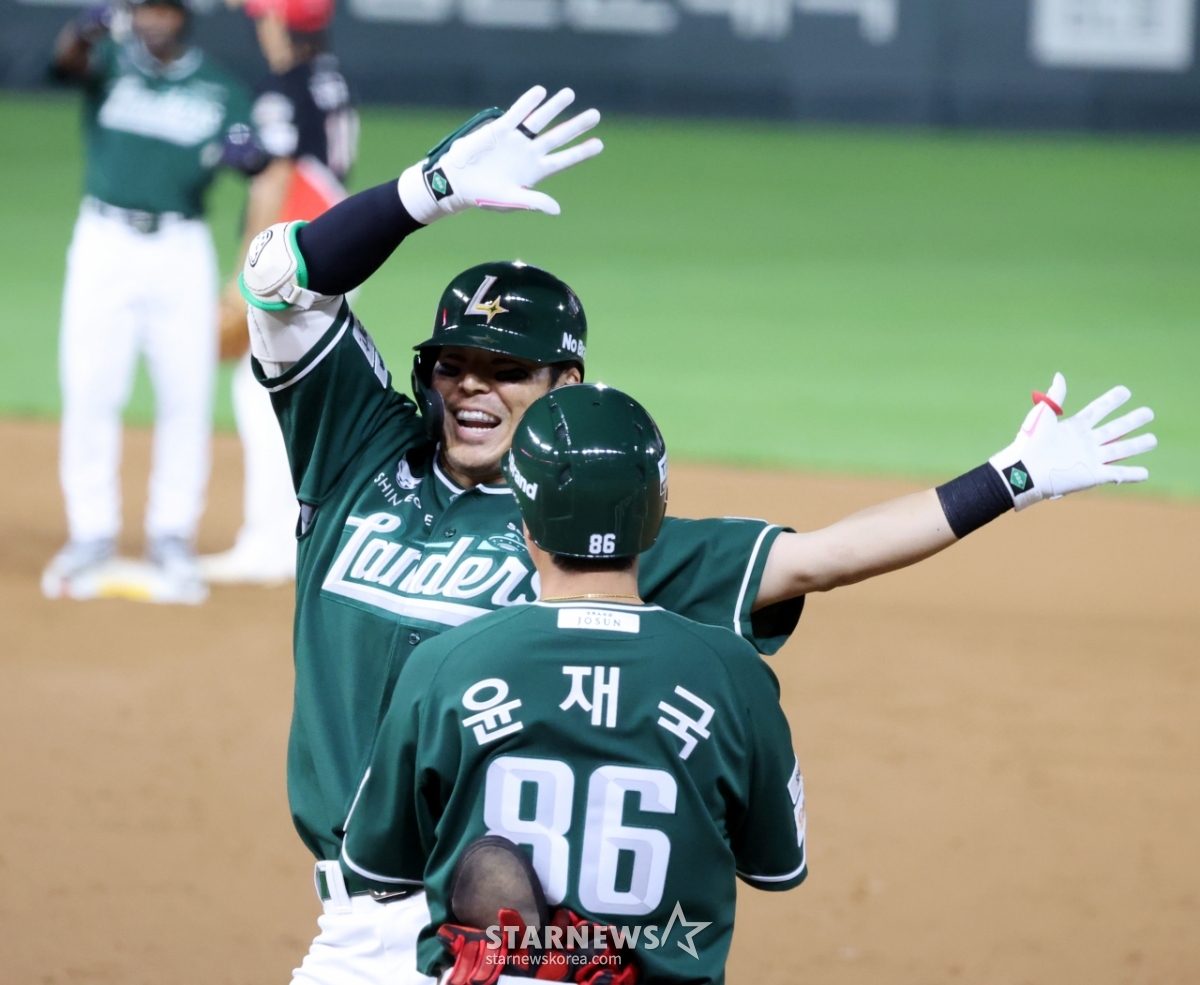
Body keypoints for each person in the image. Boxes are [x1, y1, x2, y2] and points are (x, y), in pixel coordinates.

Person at [237, 84, 1156, 984]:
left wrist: (1009, 479)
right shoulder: (359, 450)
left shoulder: (592, 530)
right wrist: (423, 193)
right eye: (451, 363)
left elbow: (823, 556)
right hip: (355, 924)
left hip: (515, 941)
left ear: (564, 385)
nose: (471, 385)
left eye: (506, 368)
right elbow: (277, 279)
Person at [340, 384, 807, 985]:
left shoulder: (443, 665)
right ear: (654, 517)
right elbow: (773, 864)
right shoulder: (731, 672)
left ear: (525, 520)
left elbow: (382, 865)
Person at [42, 0, 269, 603]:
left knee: (185, 392)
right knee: (90, 386)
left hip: (179, 247)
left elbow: (257, 159)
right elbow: (63, 65)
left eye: (165, 10)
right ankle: (91, 531)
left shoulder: (220, 87)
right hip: (103, 241)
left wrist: (250, 154)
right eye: (146, 8)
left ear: (182, 17)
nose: (154, 20)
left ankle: (172, 533)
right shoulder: (110, 62)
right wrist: (82, 31)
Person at [200, 0, 358, 584]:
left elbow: (273, 178)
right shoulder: (329, 78)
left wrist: (244, 275)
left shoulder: (282, 87)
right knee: (293, 396)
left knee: (260, 394)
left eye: (263, 17)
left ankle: (269, 543)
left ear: (280, 24)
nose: (258, 26)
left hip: (294, 254)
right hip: (335, 241)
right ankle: (294, 537)